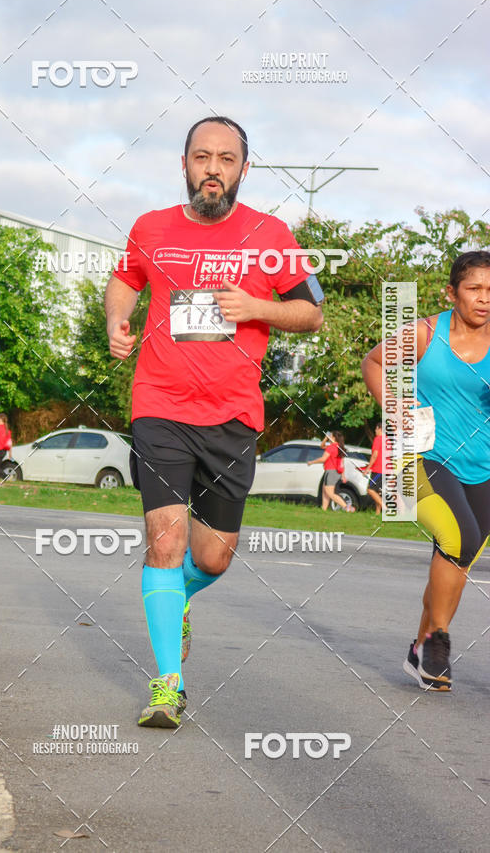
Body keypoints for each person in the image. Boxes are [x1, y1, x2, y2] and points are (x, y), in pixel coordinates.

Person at [105, 116, 324, 727]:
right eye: (202, 156)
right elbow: (125, 278)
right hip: (160, 406)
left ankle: (174, 599)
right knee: (165, 541)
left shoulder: (270, 233)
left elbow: (313, 313)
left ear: (243, 169)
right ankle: (167, 685)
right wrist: (115, 322)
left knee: (214, 555)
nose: (213, 169)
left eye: (227, 158)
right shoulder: (151, 228)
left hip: (231, 414)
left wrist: (257, 306)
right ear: (184, 164)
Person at [361, 250, 490, 692]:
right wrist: (396, 409)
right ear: (451, 292)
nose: (484, 299)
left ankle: (420, 650)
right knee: (458, 538)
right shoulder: (425, 333)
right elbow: (373, 363)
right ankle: (438, 640)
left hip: (483, 466)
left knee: (455, 556)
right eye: (474, 288)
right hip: (421, 458)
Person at [307, 430, 355, 511]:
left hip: (331, 472)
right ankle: (324, 509)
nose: (329, 437)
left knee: (330, 493)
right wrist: (326, 438)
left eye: (330, 436)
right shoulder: (340, 448)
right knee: (325, 492)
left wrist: (311, 462)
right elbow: (322, 446)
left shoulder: (331, 447)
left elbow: (323, 459)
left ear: (333, 437)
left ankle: (347, 507)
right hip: (336, 472)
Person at [364, 422, 390, 514]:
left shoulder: (378, 439)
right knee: (378, 491)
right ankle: (377, 512)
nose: (375, 431)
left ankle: (385, 508)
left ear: (380, 429)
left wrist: (368, 468)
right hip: (387, 469)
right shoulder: (388, 440)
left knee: (370, 490)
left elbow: (374, 455)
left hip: (379, 469)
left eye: (376, 429)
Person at [0, 412, 12, 478]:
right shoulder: (7, 430)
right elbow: (10, 443)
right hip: (4, 451)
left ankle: (5, 476)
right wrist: (10, 454)